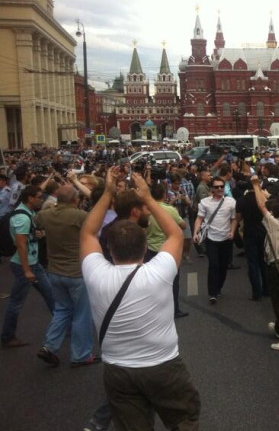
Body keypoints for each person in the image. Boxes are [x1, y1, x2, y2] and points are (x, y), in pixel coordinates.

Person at [81, 170, 200, 430]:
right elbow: (176, 235)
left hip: (117, 370)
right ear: (145, 248)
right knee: (184, 420)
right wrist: (148, 197)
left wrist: (108, 194)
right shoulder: (159, 271)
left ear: (109, 250)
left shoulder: (96, 274)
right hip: (163, 365)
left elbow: (88, 234)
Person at [34, 184, 99, 367]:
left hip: (55, 270)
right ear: (74, 200)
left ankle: (49, 346)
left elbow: (36, 222)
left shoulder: (45, 215)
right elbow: (95, 227)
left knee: (61, 310)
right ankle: (81, 354)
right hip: (76, 271)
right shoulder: (79, 216)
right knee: (81, 314)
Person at [1, 186, 54, 348]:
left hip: (32, 263)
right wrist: (26, 270)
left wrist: (38, 235)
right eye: (39, 197)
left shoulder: (27, 213)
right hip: (26, 265)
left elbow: (28, 238)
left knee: (51, 294)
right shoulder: (23, 217)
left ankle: (65, 326)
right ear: (30, 198)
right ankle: (8, 336)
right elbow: (21, 245)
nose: (41, 200)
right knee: (16, 302)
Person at [250, 176, 279, 351]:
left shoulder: (273, 224)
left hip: (274, 266)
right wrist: (260, 189)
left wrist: (255, 185)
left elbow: (262, 205)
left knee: (278, 304)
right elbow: (267, 202)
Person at [146, 183, 188, 318]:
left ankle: (155, 308)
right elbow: (183, 225)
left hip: (151, 249)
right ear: (164, 195)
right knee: (173, 281)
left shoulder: (146, 210)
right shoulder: (170, 210)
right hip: (169, 251)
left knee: (153, 281)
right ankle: (174, 309)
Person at [193, 177, 237, 304]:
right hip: (211, 239)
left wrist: (232, 232)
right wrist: (196, 232)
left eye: (221, 187)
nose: (219, 189)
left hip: (226, 239)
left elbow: (234, 219)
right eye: (216, 187)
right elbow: (199, 219)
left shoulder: (231, 202)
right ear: (211, 189)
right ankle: (212, 293)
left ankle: (218, 288)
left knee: (223, 266)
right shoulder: (205, 202)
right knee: (213, 265)